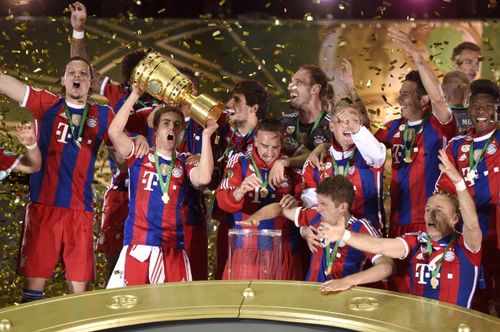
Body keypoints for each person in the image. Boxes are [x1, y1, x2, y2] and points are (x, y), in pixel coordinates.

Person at [0, 55, 114, 301]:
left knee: (79, 296)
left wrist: (137, 139)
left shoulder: (103, 115)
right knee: (33, 291)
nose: (77, 76)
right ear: (63, 79)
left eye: (83, 73)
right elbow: (7, 84)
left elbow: (124, 143)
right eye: (71, 72)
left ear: (91, 81)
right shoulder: (47, 104)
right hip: (44, 208)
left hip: (80, 210)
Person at [319, 151, 482, 308]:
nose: (430, 215)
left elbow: (472, 225)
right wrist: (344, 235)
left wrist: (459, 183)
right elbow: (379, 246)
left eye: (439, 210)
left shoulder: (466, 246)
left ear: (455, 218)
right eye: (427, 209)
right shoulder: (416, 240)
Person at [70, 1, 151, 281]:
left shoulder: (169, 104)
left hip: (156, 195)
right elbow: (84, 73)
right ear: (134, 77)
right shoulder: (119, 94)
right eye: (147, 72)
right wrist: (78, 32)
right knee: (115, 264)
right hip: (123, 194)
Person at [106, 85, 217, 287]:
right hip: (140, 245)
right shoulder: (140, 155)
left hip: (172, 248)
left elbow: (204, 177)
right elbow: (114, 132)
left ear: (182, 133)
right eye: (166, 123)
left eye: (177, 125)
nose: (172, 128)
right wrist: (135, 94)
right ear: (156, 130)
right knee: (132, 309)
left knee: (172, 312)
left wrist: (207, 137)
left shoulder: (184, 162)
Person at [238, 175, 395, 290]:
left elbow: (387, 266)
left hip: (341, 301)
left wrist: (347, 281)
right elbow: (279, 209)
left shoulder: (361, 228)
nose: (318, 208)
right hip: (312, 297)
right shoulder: (315, 216)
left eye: (324, 204)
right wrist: (255, 218)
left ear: (342, 207)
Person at [436, 79, 499, 314]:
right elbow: (443, 188)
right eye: (475, 106)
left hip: (496, 230)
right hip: (465, 232)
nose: (481, 111)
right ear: (468, 108)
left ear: (495, 109)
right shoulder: (456, 144)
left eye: (487, 106)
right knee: (473, 294)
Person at [216, 119, 303, 280]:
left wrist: (296, 203)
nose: (269, 153)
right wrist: (240, 190)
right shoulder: (240, 161)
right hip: (246, 249)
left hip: (283, 251)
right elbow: (223, 200)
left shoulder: (291, 164)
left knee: (281, 305)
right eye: (264, 146)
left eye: (275, 147)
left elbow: (305, 203)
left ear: (282, 143)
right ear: (255, 141)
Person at [212, 79, 268, 279]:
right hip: (228, 216)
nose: (228, 104)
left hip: (257, 222)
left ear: (254, 108)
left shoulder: (268, 139)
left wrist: (285, 162)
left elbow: (301, 154)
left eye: (236, 100)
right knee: (224, 275)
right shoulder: (224, 132)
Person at [301, 101, 386, 232]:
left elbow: (378, 155)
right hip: (329, 241)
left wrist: (356, 128)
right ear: (331, 126)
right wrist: (305, 230)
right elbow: (310, 205)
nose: (349, 125)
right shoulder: (316, 161)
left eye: (354, 121)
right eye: (343, 121)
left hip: (367, 240)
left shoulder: (368, 154)